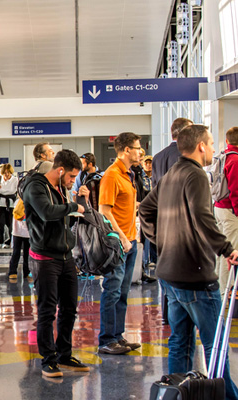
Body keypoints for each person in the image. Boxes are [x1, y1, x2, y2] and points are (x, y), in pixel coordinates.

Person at [139, 124, 238, 400]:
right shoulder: (196, 175)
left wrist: (162, 240)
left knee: (180, 343)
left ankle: (178, 394)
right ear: (200, 146)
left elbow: (145, 209)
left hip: (170, 274)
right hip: (195, 276)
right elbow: (202, 216)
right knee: (215, 346)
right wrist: (226, 248)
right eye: (210, 144)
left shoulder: (171, 173)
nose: (212, 149)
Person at [21, 149, 91, 378]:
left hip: (65, 256)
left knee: (70, 308)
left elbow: (64, 217)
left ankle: (64, 354)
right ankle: (48, 359)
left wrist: (81, 201)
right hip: (44, 258)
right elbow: (47, 212)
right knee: (47, 310)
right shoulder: (36, 186)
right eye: (71, 177)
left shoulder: (61, 188)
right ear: (60, 171)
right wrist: (73, 207)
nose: (73, 181)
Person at [97, 132, 142, 355]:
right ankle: (106, 339)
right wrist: (123, 238)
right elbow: (104, 211)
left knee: (123, 292)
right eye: (137, 147)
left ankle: (117, 335)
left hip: (130, 240)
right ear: (126, 150)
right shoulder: (112, 175)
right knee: (112, 291)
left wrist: (133, 236)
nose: (140, 151)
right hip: (117, 243)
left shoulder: (128, 174)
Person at [214, 127, 238, 296]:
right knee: (231, 253)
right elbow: (237, 188)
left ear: (227, 141)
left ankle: (220, 288)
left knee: (222, 251)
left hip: (219, 207)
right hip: (230, 210)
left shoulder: (223, 156)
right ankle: (224, 293)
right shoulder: (237, 160)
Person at [132, 149, 156, 284]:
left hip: (142, 210)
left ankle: (141, 269)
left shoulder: (139, 174)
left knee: (143, 238)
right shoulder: (130, 174)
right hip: (133, 211)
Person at [151, 117, 193, 185]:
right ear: (184, 133)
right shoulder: (185, 155)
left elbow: (154, 184)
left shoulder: (157, 157)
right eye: (191, 131)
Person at [0, 164, 17, 247]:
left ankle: (8, 242)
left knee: (10, 224)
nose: (7, 175)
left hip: (11, 204)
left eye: (8, 173)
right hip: (0, 204)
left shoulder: (15, 180)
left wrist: (2, 190)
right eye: (5, 173)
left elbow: (13, 190)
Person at [141, 155, 157, 269]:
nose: (148, 165)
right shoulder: (140, 178)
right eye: (146, 163)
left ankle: (155, 259)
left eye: (150, 163)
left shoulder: (156, 177)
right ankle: (144, 260)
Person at [7, 216, 30, 282]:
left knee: (27, 253)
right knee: (16, 252)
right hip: (17, 231)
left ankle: (27, 272)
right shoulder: (17, 205)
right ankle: (12, 271)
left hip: (28, 231)